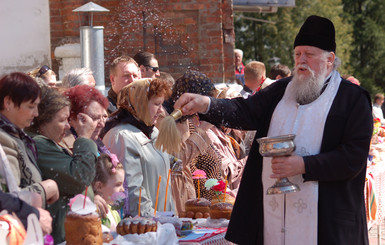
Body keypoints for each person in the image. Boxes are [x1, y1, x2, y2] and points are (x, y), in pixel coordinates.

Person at [174, 15, 372, 245]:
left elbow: (352, 157)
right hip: (274, 220)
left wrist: (303, 165)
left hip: (327, 222)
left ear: (330, 59)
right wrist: (205, 103)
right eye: (297, 54)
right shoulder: (281, 91)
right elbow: (244, 111)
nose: (301, 61)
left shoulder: (352, 99)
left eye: (309, 55)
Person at [28, 87, 98, 243]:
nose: (67, 126)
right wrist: (85, 137)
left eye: (68, 120)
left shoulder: (51, 142)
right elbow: (79, 177)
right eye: (62, 120)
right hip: (60, 236)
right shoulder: (39, 144)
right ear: (42, 120)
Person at [103, 78, 174, 217]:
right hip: (142, 227)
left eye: (162, 104)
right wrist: (156, 218)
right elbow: (132, 190)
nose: (161, 111)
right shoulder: (122, 137)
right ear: (140, 103)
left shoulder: (153, 132)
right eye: (156, 104)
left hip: (163, 222)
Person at [0, 72, 59, 209]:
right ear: (8, 102)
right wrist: (46, 188)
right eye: (31, 106)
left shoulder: (16, 135)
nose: (36, 113)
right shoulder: (4, 140)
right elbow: (9, 198)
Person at [92, 154, 124, 232]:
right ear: (99, 186)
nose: (122, 189)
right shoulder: (93, 213)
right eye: (118, 185)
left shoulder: (114, 212)